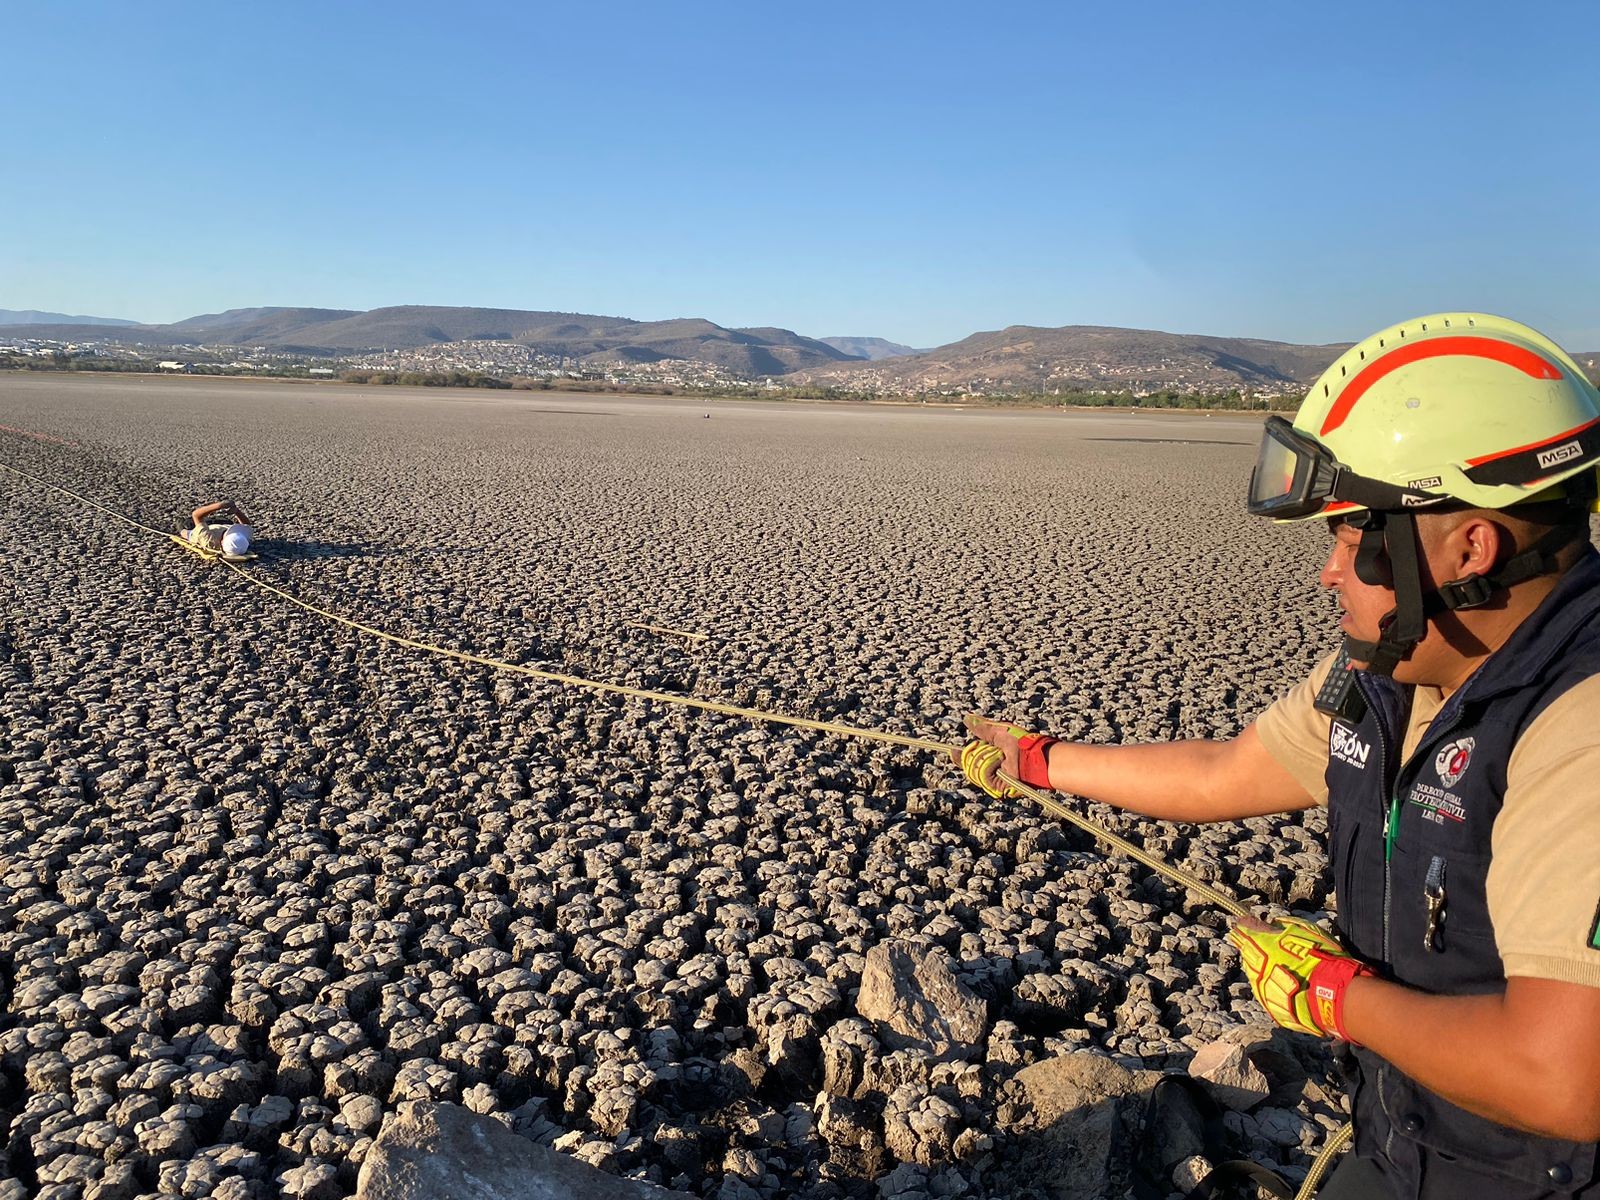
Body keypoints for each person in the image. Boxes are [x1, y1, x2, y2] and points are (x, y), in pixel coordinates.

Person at [959, 313, 1600, 1198]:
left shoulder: (1580, 726)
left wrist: (1336, 997)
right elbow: (1226, 773)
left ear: (1470, 549)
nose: (1329, 572)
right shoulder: (1388, 674)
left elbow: (1562, 1080)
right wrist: (1040, 762)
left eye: (1353, 541)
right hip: (1408, 1142)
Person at [184, 499, 255, 556]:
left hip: (197, 529)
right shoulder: (242, 542)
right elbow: (246, 526)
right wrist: (237, 511)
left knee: (186, 524)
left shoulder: (209, 541)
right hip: (221, 525)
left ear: (222, 542)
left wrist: (219, 506)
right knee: (223, 520)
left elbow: (196, 515)